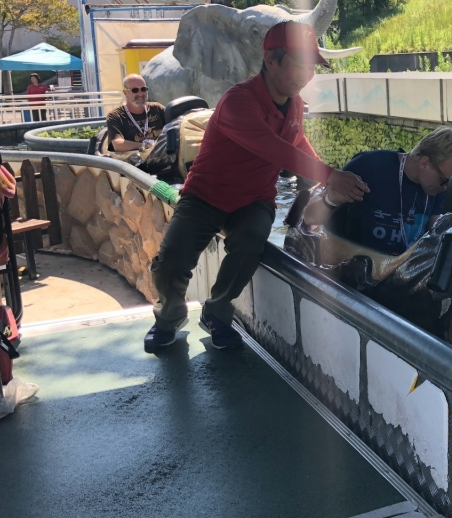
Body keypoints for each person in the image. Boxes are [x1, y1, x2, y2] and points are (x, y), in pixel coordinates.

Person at [145, 21, 368, 353]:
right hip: (205, 196)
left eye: (311, 66)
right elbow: (273, 148)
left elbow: (295, 142)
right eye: (299, 64)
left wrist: (326, 181)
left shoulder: (294, 103)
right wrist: (331, 175)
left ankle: (217, 312)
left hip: (254, 200)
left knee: (251, 242)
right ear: (270, 60)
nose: (306, 74)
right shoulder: (238, 101)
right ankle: (169, 315)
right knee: (171, 262)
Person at [301, 125, 452, 255]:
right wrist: (331, 200)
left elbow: (434, 232)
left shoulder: (437, 189)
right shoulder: (368, 166)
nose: (445, 188)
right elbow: (310, 217)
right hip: (356, 273)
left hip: (402, 275)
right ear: (425, 163)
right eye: (444, 181)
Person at [106, 74, 167, 154]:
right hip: (133, 161)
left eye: (143, 89)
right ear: (125, 93)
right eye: (135, 90)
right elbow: (117, 144)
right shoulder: (115, 116)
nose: (140, 94)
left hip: (162, 158)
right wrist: (145, 146)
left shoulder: (158, 109)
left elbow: (176, 127)